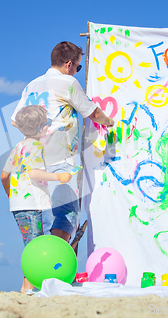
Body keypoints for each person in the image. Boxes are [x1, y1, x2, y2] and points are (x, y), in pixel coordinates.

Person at [11, 41, 114, 244]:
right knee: (66, 214)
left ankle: (43, 266)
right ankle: (55, 265)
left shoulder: (31, 85)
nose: (76, 71)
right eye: (78, 67)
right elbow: (92, 112)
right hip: (60, 159)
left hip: (33, 160)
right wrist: (110, 122)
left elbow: (15, 121)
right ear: (68, 64)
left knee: (45, 216)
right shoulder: (67, 83)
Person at [1, 105, 72, 293]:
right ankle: (29, 288)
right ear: (41, 129)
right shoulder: (35, 146)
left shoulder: (17, 147)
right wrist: (59, 177)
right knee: (35, 245)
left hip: (18, 205)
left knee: (30, 242)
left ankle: (27, 286)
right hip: (33, 204)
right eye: (46, 126)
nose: (48, 129)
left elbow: (3, 176)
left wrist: (11, 195)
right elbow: (34, 173)